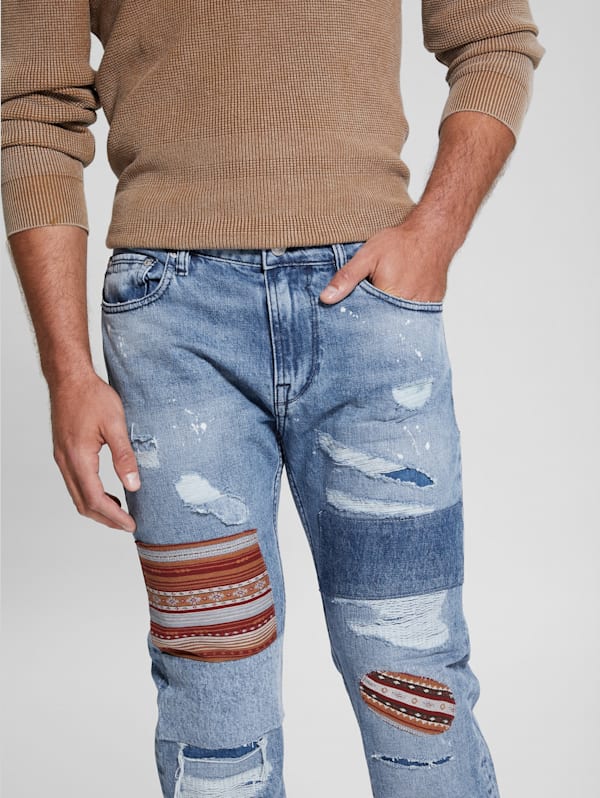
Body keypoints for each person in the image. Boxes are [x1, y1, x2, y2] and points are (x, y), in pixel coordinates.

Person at [1, 2, 544, 796]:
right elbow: (32, 111)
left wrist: (435, 233)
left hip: (366, 307)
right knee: (213, 701)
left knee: (412, 682)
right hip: (173, 327)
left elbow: (493, 37)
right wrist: (68, 371)